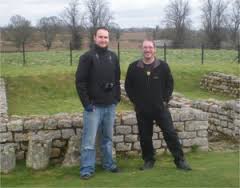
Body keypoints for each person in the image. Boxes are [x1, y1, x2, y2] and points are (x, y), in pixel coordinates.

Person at [125, 39, 191, 171]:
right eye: (145, 47)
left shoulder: (163, 66)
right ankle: (149, 161)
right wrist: (136, 102)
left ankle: (180, 160)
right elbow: (128, 87)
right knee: (145, 136)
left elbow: (169, 84)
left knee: (170, 133)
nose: (147, 50)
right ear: (142, 49)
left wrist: (165, 100)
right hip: (142, 109)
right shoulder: (133, 67)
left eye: (150, 47)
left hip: (160, 108)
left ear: (154, 49)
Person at [75, 27, 121, 179]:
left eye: (106, 37)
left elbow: (116, 79)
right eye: (100, 37)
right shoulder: (87, 57)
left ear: (109, 39)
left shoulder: (113, 57)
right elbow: (80, 82)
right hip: (93, 107)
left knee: (107, 138)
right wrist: (86, 104)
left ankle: (109, 164)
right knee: (89, 140)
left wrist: (116, 98)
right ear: (94, 38)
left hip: (110, 105)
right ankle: (87, 169)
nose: (103, 40)